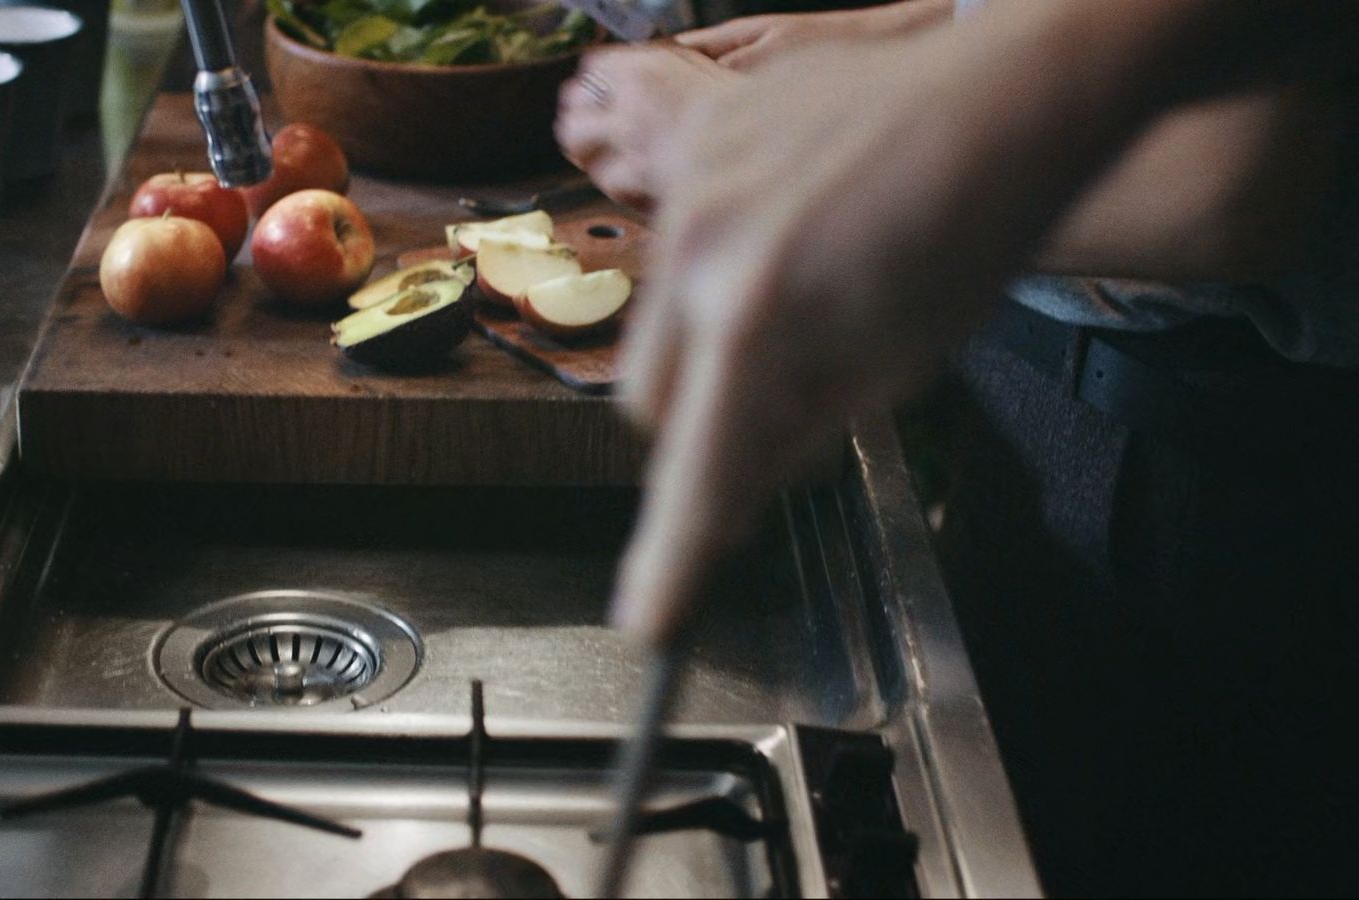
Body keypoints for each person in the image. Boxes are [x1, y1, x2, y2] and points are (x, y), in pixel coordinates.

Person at [556, 1, 1359, 893]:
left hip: (1229, 494)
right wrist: (916, 34)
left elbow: (1227, 183)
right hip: (1043, 389)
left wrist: (813, 153)